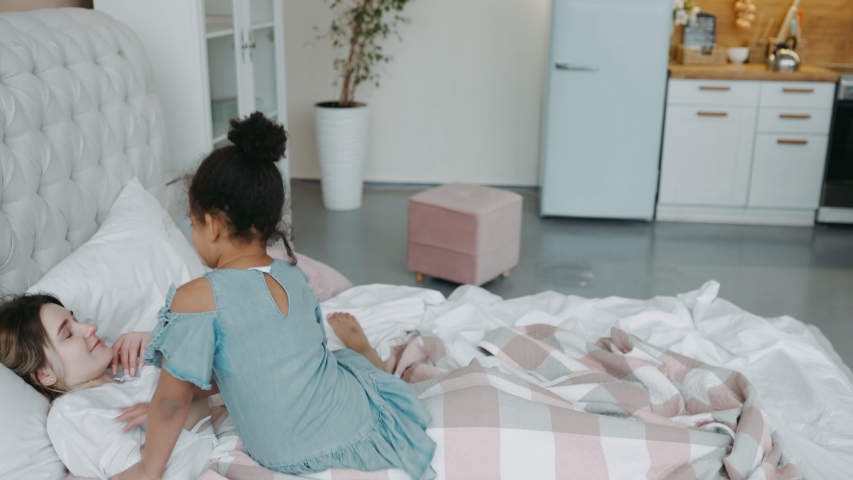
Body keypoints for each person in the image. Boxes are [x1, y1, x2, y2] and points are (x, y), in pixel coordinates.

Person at [114, 112, 436, 480]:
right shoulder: (292, 276)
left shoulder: (196, 298)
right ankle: (366, 356)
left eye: (193, 223)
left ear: (213, 225)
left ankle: (364, 352)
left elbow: (171, 401)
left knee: (345, 361)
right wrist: (171, 404)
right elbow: (249, 366)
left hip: (288, 451)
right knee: (339, 363)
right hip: (351, 418)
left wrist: (148, 468)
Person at [0, 293, 216, 480]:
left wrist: (158, 343)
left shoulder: (128, 370)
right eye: (68, 334)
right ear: (44, 374)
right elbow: (152, 474)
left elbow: (220, 380)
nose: (90, 328)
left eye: (76, 320)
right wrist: (170, 401)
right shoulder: (72, 412)